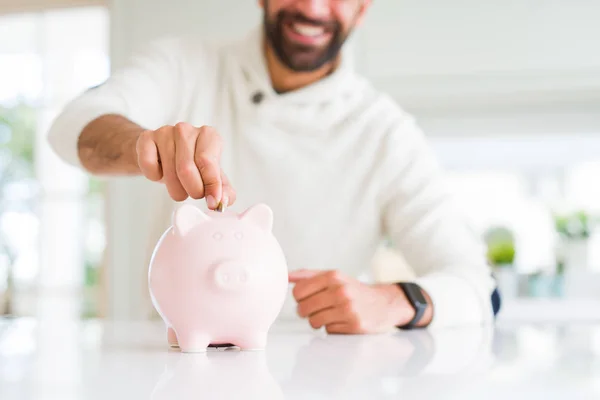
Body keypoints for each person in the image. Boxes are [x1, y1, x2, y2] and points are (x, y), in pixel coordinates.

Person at [48, 0, 499, 333]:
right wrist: (141, 145)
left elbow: (477, 286)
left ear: (363, 9)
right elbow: (71, 127)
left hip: (321, 371)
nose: (312, 7)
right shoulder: (185, 65)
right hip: (181, 366)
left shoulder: (386, 134)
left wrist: (396, 301)